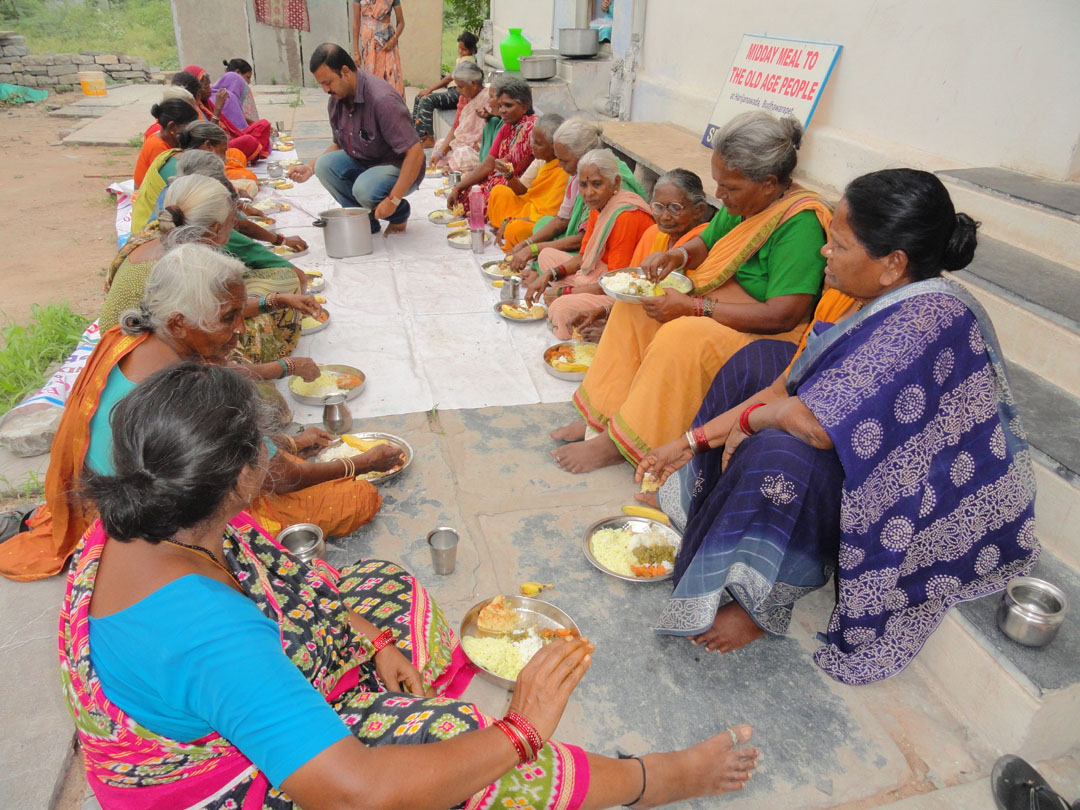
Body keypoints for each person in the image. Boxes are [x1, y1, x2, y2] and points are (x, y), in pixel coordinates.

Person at [60, 360, 760, 809]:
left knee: (387, 595)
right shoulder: (206, 635)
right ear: (242, 476)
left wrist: (368, 641)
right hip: (218, 784)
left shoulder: (146, 511)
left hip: (232, 675)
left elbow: (294, 583)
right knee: (471, 754)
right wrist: (521, 728)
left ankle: (386, 699)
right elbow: (353, 792)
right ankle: (656, 780)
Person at [637, 168, 1039, 685]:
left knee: (778, 453)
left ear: (893, 264)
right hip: (870, 457)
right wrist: (689, 443)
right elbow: (787, 385)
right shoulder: (893, 297)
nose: (825, 254)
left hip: (925, 509)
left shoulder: (922, 323)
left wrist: (752, 422)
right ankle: (706, 503)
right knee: (756, 363)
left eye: (839, 245)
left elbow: (816, 426)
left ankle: (764, 596)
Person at [0, 245, 399, 583]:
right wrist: (360, 463)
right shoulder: (193, 394)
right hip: (158, 526)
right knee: (357, 498)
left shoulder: (124, 339)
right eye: (229, 317)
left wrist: (291, 442)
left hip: (109, 499)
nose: (241, 329)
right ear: (178, 321)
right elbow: (283, 479)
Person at [554, 111, 831, 473]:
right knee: (633, 308)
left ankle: (628, 443)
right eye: (719, 182)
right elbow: (706, 241)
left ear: (768, 182)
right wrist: (677, 254)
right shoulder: (747, 202)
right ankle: (602, 419)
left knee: (681, 336)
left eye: (729, 187)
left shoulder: (801, 223)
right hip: (719, 305)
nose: (719, 194)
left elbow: (784, 314)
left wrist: (695, 308)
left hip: (765, 330)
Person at [103, 172, 317, 364]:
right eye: (232, 223)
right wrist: (286, 367)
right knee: (240, 334)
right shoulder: (185, 267)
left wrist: (278, 299)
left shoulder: (155, 235)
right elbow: (206, 325)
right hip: (131, 358)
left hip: (115, 346)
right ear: (216, 228)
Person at [287, 44, 424, 237]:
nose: (326, 90)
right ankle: (367, 221)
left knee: (364, 188)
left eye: (328, 82)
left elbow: (415, 153)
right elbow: (339, 145)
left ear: (345, 71)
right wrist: (309, 168)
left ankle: (399, 213)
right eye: (321, 85)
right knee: (324, 166)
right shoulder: (336, 99)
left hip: (399, 166)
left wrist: (393, 200)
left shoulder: (382, 100)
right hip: (366, 162)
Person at [568, 168, 713, 343]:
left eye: (675, 208)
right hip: (639, 313)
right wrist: (605, 313)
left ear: (699, 210)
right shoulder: (653, 233)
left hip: (676, 329)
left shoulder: (704, 244)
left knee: (563, 309)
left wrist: (614, 332)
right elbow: (635, 290)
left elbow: (688, 309)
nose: (665, 216)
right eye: (658, 207)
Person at [524, 149, 653, 339]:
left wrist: (563, 292)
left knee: (561, 308)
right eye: (583, 185)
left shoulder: (626, 216)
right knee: (546, 256)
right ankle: (573, 302)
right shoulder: (598, 205)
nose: (588, 192)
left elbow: (615, 285)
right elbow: (583, 257)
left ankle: (585, 319)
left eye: (597, 184)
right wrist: (549, 275)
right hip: (597, 274)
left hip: (623, 289)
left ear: (615, 183)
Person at [507, 118, 647, 275]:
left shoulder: (607, 180)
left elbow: (587, 243)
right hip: (584, 246)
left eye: (564, 160)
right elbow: (562, 220)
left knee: (546, 255)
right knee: (543, 224)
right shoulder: (578, 175)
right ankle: (545, 269)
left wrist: (533, 249)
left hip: (603, 256)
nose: (560, 165)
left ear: (583, 156)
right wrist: (528, 244)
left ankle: (545, 271)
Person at [448, 77, 538, 216]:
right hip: (501, 179)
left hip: (521, 186)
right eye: (500, 105)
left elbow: (524, 170)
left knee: (482, 200)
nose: (502, 111)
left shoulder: (532, 127)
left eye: (508, 105)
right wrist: (457, 188)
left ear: (525, 106)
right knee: (466, 194)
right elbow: (488, 164)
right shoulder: (507, 127)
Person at [488, 112, 569, 253]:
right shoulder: (542, 161)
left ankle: (508, 231)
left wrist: (510, 221)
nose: (532, 146)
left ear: (556, 146)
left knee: (515, 229)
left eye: (538, 143)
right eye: (532, 140)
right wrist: (508, 175)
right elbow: (524, 194)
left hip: (540, 221)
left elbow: (548, 215)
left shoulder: (564, 170)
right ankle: (503, 226)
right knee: (499, 192)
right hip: (529, 208)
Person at [184, 64, 272, 158]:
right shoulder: (192, 108)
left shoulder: (207, 101)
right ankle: (253, 152)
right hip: (215, 147)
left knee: (263, 124)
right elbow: (207, 137)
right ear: (197, 90)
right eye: (206, 86)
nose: (210, 90)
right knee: (248, 141)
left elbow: (232, 127)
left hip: (228, 138)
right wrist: (218, 109)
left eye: (210, 85)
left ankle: (253, 151)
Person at [412, 31, 478, 147]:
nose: (461, 52)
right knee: (419, 97)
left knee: (427, 100)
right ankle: (416, 133)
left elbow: (448, 78)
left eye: (464, 50)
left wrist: (430, 89)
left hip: (457, 93)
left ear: (472, 50)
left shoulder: (467, 61)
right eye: (459, 48)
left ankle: (428, 137)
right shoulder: (462, 59)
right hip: (452, 91)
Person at [427, 60, 488, 173]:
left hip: (479, 149)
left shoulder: (489, 98)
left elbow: (495, 130)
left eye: (460, 86)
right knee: (441, 144)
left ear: (474, 84)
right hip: (461, 144)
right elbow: (456, 127)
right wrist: (441, 152)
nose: (457, 90)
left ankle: (452, 172)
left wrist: (481, 145)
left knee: (462, 155)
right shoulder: (464, 98)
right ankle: (447, 171)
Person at [133, 99, 198, 186]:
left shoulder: (170, 140)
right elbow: (170, 179)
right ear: (172, 127)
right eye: (190, 127)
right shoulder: (157, 146)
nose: (192, 132)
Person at [353, 0, 405, 96]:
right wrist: (356, 52)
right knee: (371, 77)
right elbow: (356, 24)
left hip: (387, 42)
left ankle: (393, 107)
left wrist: (393, 40)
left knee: (391, 77)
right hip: (368, 43)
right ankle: (374, 108)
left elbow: (401, 22)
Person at [217, 57, 260, 122]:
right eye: (248, 77)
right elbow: (238, 116)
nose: (249, 82)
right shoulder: (226, 95)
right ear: (237, 72)